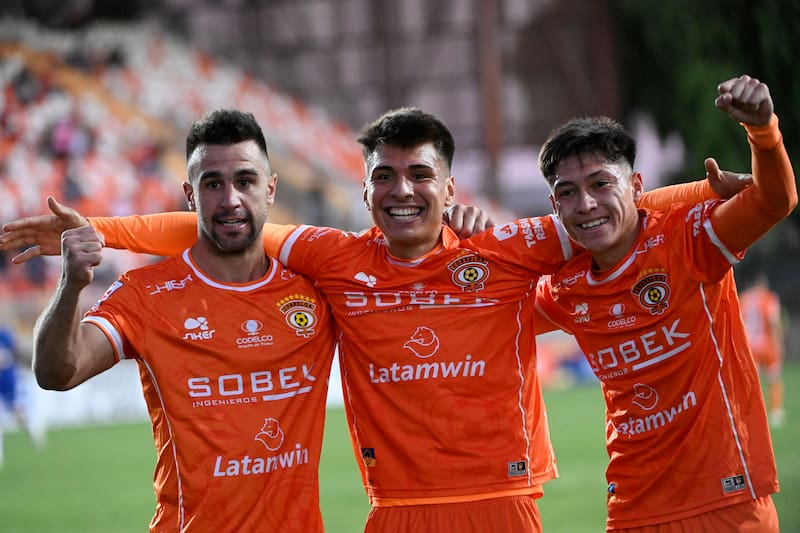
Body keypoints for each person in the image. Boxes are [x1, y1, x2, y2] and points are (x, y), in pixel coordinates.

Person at [0, 108, 749, 532]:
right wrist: (98, 227)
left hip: (505, 508)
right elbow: (217, 225)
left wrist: (713, 197)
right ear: (362, 192)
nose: (403, 190)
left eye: (420, 174)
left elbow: (609, 211)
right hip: (396, 513)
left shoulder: (502, 248)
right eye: (384, 176)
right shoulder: (332, 260)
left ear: (448, 185)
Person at [26, 109, 337, 532]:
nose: (230, 200)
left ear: (271, 189)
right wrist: (70, 286)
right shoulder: (146, 293)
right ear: (190, 196)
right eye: (213, 184)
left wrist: (456, 234)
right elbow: (56, 372)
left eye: (245, 181)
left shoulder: (318, 291)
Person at [532, 75, 795, 531]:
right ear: (554, 206)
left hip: (727, 503)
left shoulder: (689, 239)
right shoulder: (563, 288)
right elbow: (482, 311)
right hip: (634, 508)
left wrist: (763, 132)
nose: (586, 203)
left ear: (635, 185)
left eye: (600, 183)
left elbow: (775, 200)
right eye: (568, 193)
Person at [740, 274, 786, 428]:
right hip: (767, 345)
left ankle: (753, 413)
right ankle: (775, 413)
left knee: (753, 382)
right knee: (773, 378)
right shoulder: (769, 298)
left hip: (750, 347)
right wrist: (779, 342)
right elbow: (774, 322)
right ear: (763, 284)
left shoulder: (744, 298)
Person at [0, 322, 45, 466]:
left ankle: (33, 429)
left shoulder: (5, 336)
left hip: (8, 381)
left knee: (19, 414)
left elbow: (15, 353)